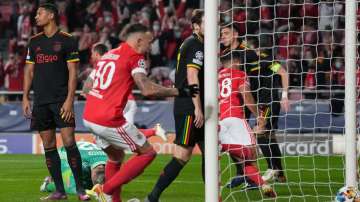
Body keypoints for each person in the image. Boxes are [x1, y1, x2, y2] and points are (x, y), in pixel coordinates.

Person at [82, 23, 198, 202]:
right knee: (147, 153)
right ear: (139, 40)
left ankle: (114, 200)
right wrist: (180, 91)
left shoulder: (108, 54)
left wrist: (103, 97)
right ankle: (104, 190)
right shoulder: (135, 57)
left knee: (116, 156)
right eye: (149, 42)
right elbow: (147, 89)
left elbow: (86, 87)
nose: (150, 46)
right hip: (107, 118)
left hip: (89, 116)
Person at [22, 3, 90, 201]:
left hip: (61, 100)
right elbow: (29, 71)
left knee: (69, 141)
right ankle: (59, 191)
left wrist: (70, 99)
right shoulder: (34, 42)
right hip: (41, 101)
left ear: (51, 15)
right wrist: (26, 96)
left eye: (40, 13)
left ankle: (80, 190)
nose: (36, 17)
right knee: (49, 145)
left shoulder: (68, 40)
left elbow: (73, 73)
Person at [145, 9, 205, 202]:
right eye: (208, 23)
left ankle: (213, 196)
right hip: (189, 107)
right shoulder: (195, 45)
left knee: (210, 154)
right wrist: (197, 107)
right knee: (182, 155)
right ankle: (153, 196)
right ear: (196, 26)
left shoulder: (198, 44)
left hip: (194, 105)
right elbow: (192, 75)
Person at [220, 24, 289, 186]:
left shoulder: (253, 54)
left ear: (236, 35)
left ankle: (272, 169)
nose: (222, 36)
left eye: (226, 33)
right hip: (241, 99)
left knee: (261, 133)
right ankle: (249, 173)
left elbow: (281, 72)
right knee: (238, 135)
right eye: (221, 33)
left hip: (261, 99)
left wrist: (284, 95)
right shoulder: (225, 54)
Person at [218, 51, 276, 197]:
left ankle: (264, 186)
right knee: (252, 156)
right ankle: (223, 146)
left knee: (242, 162)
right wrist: (259, 116)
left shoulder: (215, 76)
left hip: (220, 120)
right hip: (236, 118)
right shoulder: (240, 74)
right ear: (236, 62)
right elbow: (247, 97)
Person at [83, 43, 167, 142]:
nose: (91, 56)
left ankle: (92, 152)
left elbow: (87, 88)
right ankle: (155, 131)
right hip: (129, 102)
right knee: (126, 135)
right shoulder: (116, 60)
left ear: (97, 54)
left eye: (92, 53)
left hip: (119, 103)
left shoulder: (102, 65)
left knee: (105, 133)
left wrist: (91, 96)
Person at [40, 141, 107, 194]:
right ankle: (47, 185)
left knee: (90, 184)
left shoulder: (107, 160)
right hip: (63, 157)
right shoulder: (88, 164)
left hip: (84, 157)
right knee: (73, 188)